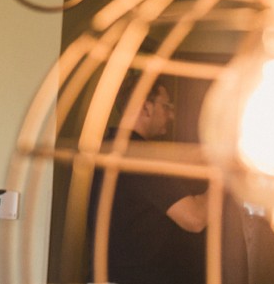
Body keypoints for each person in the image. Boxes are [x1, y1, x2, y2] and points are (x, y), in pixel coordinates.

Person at [87, 77, 208, 284]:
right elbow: (194, 219)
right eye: (167, 106)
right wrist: (224, 180)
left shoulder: (108, 148)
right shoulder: (139, 157)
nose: (171, 115)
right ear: (146, 108)